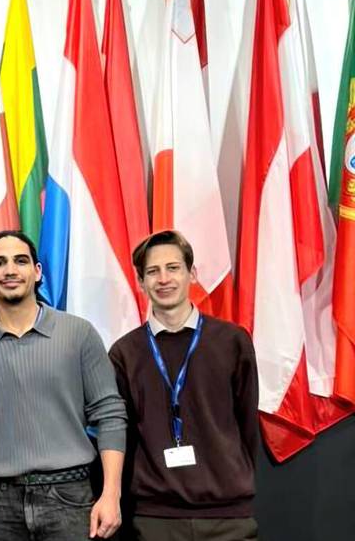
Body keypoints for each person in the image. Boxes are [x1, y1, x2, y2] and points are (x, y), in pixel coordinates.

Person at [0, 230, 127, 540]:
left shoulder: (79, 334)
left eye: (20, 261)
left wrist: (111, 494)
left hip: (71, 499)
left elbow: (110, 414)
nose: (10, 270)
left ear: (37, 271)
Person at [109, 231, 259, 540]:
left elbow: (247, 424)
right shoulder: (125, 352)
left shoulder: (232, 341)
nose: (164, 279)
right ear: (140, 282)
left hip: (228, 516)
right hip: (156, 519)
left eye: (173, 268)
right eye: (152, 271)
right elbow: (124, 433)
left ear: (192, 273)